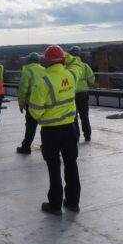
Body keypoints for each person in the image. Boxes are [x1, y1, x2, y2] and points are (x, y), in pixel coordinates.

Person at [28, 45, 80, 215]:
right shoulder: (71, 75)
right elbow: (77, 63)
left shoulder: (42, 81)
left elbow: (35, 110)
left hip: (51, 130)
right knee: (71, 164)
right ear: (63, 59)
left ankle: (55, 205)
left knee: (54, 166)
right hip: (70, 127)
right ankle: (73, 203)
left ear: (46, 61)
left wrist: (44, 117)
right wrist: (64, 55)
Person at [16, 52, 45, 154]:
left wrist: (21, 104)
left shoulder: (27, 71)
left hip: (32, 104)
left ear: (29, 60)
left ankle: (26, 147)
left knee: (30, 127)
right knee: (45, 125)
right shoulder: (45, 70)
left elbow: (23, 90)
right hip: (45, 103)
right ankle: (45, 145)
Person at [65, 46, 96, 142]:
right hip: (83, 94)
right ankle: (87, 136)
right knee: (84, 116)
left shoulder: (67, 67)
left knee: (73, 117)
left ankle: (76, 136)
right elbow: (92, 80)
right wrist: (89, 84)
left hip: (71, 94)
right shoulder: (85, 66)